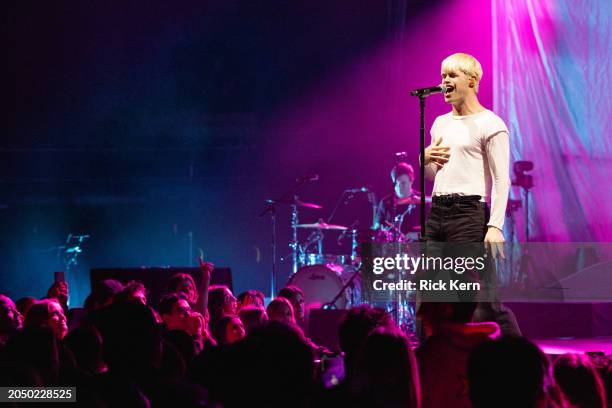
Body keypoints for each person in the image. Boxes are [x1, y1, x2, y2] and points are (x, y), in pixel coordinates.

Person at [422, 52, 520, 336]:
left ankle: (518, 356)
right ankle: (440, 350)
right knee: (432, 286)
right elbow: (433, 175)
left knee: (476, 292)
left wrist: (495, 226)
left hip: (469, 213)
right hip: (438, 211)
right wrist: (424, 158)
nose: (444, 82)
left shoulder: (491, 124)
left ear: (473, 80)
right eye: (442, 76)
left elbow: (502, 180)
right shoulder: (440, 123)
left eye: (452, 76)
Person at [374, 162, 422, 238]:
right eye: (396, 183)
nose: (399, 187)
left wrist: (417, 235)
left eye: (403, 183)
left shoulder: (423, 201)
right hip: (392, 248)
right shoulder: (385, 203)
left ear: (411, 181)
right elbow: (377, 229)